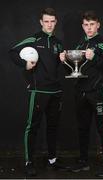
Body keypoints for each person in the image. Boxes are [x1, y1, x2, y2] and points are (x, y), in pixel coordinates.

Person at [9, 8, 66, 176]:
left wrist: (63, 60)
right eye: (46, 21)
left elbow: (56, 67)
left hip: (55, 91)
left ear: (56, 22)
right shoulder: (34, 39)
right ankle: (29, 162)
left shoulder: (58, 42)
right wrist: (25, 64)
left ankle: (52, 160)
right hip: (38, 90)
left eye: (52, 21)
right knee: (32, 127)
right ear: (41, 22)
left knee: (53, 127)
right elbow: (12, 52)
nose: (49, 24)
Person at [60, 10, 103, 177]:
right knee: (82, 128)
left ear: (98, 25)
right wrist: (64, 61)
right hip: (81, 92)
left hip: (97, 92)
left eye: (92, 25)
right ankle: (83, 161)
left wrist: (95, 58)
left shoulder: (101, 43)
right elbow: (75, 69)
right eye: (86, 25)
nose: (89, 28)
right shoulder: (80, 45)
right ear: (82, 26)